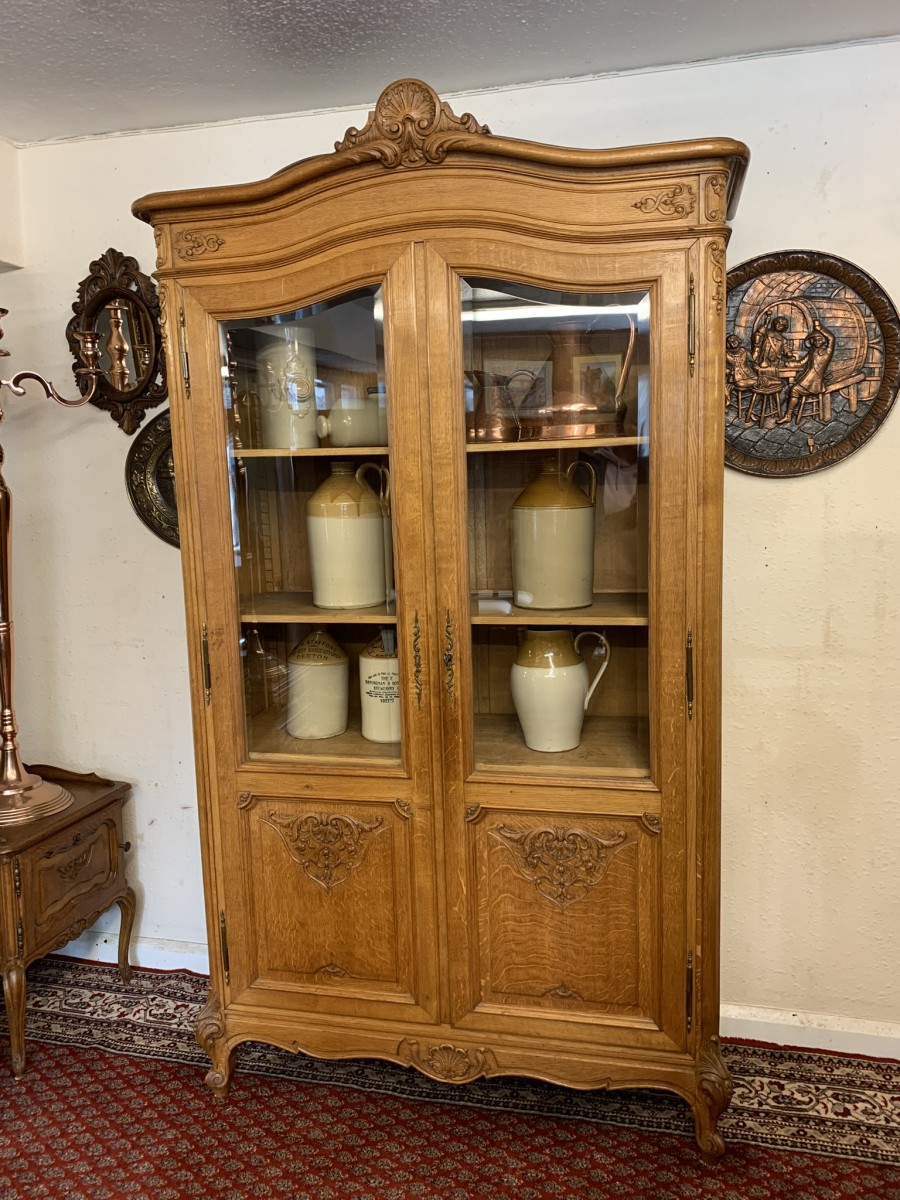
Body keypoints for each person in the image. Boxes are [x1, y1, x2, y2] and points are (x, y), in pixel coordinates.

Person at [778, 321, 836, 424]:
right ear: (812, 341)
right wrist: (788, 364)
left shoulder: (826, 352)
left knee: (794, 389)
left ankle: (788, 416)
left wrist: (819, 328)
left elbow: (832, 338)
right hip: (807, 380)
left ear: (823, 341)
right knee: (789, 388)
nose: (817, 341)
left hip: (814, 383)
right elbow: (801, 362)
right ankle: (785, 412)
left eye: (819, 339)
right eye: (815, 339)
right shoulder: (812, 351)